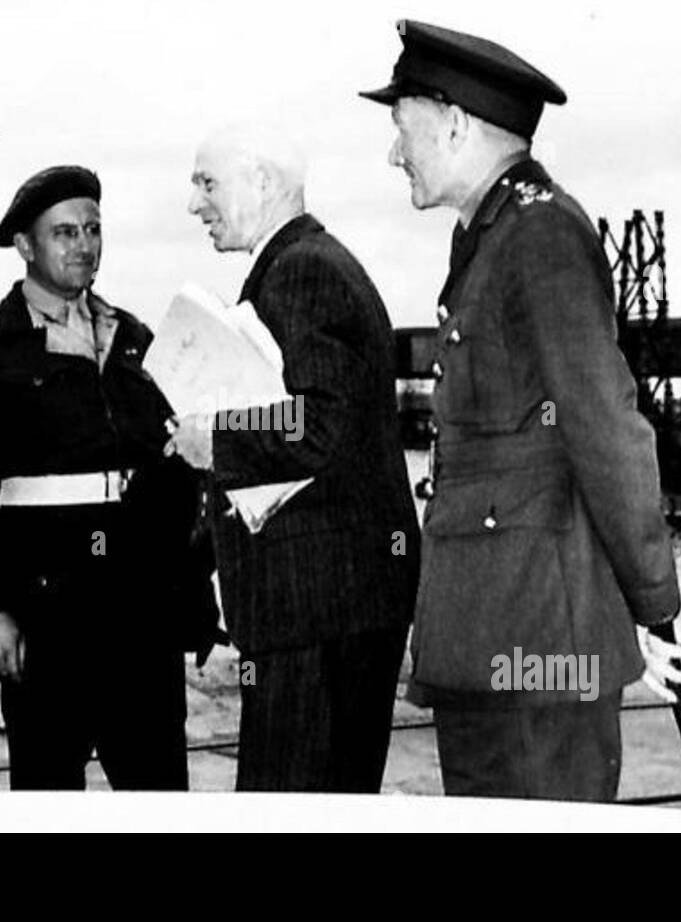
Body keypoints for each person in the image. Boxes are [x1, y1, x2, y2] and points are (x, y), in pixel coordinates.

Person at [360, 20, 681, 800]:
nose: (393, 153)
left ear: (454, 121)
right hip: (483, 638)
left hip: (543, 651)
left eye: (401, 129)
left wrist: (652, 608)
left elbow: (604, 425)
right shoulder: (485, 238)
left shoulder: (541, 233)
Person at [0, 165, 223, 790]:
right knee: (48, 802)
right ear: (25, 246)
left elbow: (177, 471)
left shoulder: (136, 339)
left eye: (93, 230)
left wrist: (190, 583)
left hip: (141, 622)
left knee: (159, 797)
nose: (84, 246)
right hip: (47, 624)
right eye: (65, 232)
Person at [169, 126, 420, 792]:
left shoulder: (302, 272)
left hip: (317, 606)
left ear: (264, 181)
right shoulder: (312, 262)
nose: (195, 205)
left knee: (287, 804)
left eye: (208, 183)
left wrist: (211, 439)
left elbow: (321, 422)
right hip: (337, 599)